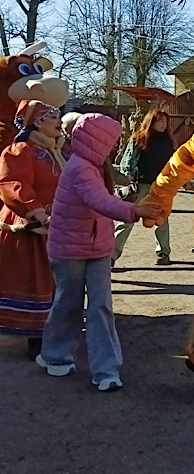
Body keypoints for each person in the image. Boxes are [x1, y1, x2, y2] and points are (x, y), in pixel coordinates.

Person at [38, 114, 159, 390]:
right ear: (99, 141)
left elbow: (103, 200)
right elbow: (97, 198)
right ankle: (55, 355)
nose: (115, 146)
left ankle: (106, 370)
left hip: (97, 247)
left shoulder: (94, 166)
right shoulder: (80, 168)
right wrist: (134, 210)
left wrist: (127, 200)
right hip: (69, 249)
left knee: (101, 306)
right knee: (68, 303)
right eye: (111, 141)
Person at [0, 100, 67, 357]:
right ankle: (36, 338)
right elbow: (13, 183)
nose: (59, 121)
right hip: (29, 226)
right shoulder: (21, 150)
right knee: (33, 281)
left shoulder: (55, 150)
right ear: (38, 121)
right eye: (54, 116)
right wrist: (36, 213)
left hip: (55, 226)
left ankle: (50, 333)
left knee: (54, 281)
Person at [113, 109, 176, 267]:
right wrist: (128, 177)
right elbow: (127, 160)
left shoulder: (168, 141)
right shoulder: (139, 138)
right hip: (139, 185)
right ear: (151, 122)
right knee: (127, 218)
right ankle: (111, 255)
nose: (163, 124)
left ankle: (163, 253)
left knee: (161, 218)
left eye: (164, 121)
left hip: (160, 186)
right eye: (159, 121)